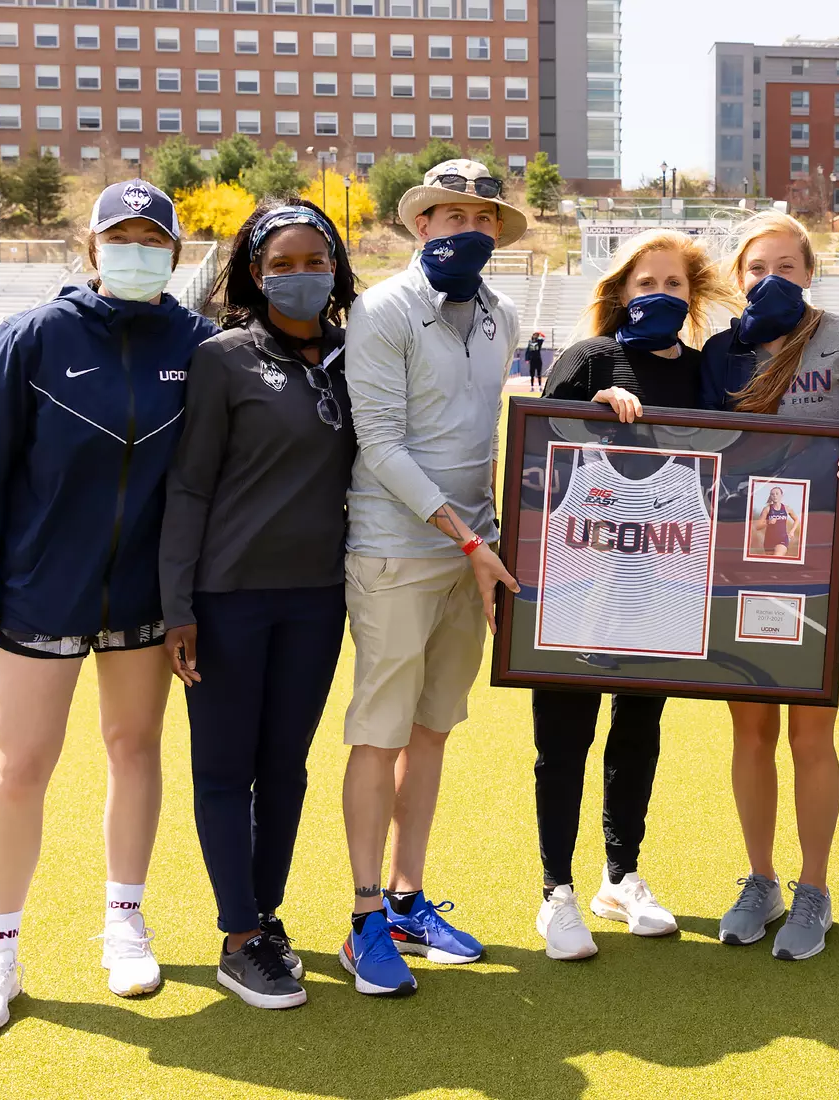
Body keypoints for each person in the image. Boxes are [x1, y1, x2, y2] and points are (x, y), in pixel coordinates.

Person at [0, 179, 218, 1037]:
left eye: (153, 237)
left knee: (134, 748)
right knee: (20, 767)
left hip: (143, 595)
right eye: (120, 235)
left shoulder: (201, 344)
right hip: (36, 590)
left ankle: (125, 920)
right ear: (92, 246)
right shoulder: (32, 337)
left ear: (173, 252)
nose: (136, 249)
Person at [160, 200, 358, 1010]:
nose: (301, 274)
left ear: (337, 268)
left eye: (316, 260)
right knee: (225, 768)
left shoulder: (358, 356)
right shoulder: (224, 358)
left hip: (319, 599)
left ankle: (264, 916)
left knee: (286, 767)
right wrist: (178, 604)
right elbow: (190, 482)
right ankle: (237, 936)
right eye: (282, 263)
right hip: (229, 597)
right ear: (252, 272)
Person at [338, 159, 523, 996]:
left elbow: (487, 439)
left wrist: (482, 542)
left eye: (480, 218)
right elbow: (379, 446)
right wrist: (465, 541)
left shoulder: (504, 315)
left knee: (434, 729)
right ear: (421, 226)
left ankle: (410, 901)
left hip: (469, 554)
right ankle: (365, 917)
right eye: (450, 217)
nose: (466, 231)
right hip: (397, 551)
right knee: (380, 733)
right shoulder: (379, 309)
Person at [530, 228, 737, 961]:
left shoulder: (704, 371)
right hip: (578, 578)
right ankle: (555, 892)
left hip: (660, 579)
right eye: (645, 283)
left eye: (674, 285)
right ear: (621, 292)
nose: (659, 295)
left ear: (693, 294)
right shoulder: (590, 357)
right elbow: (538, 457)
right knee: (564, 737)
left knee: (637, 732)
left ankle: (620, 876)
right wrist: (595, 404)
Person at [701, 210, 839, 962]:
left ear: (808, 274)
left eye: (786, 267)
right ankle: (761, 879)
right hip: (738, 568)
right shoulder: (719, 353)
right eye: (757, 269)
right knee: (750, 731)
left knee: (812, 732)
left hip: (820, 567)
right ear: (737, 278)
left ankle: (814, 886)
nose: (771, 280)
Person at [751, 484, 800, 558]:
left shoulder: (787, 508)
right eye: (772, 494)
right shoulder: (767, 509)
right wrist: (768, 522)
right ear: (770, 496)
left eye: (777, 493)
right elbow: (758, 526)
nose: (775, 496)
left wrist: (792, 531)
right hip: (769, 541)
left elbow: (796, 519)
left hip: (782, 540)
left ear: (781, 495)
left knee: (777, 557)